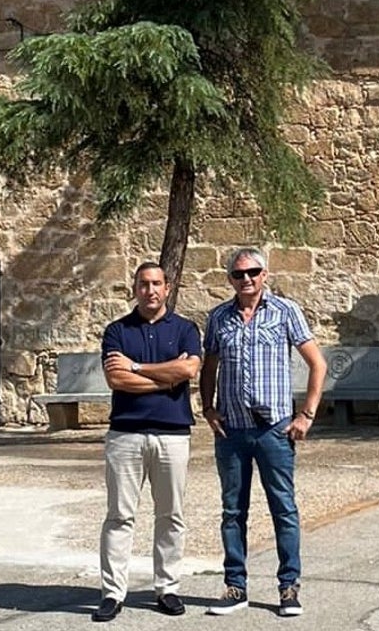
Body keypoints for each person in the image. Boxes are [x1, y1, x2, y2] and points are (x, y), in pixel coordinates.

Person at [200, 247, 327, 618]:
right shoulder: (219, 318)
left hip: (274, 430)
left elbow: (317, 364)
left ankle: (289, 587)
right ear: (230, 279)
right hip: (232, 431)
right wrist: (207, 408)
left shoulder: (286, 312)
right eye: (239, 274)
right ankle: (235, 586)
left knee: (283, 509)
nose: (247, 280)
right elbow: (209, 367)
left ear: (265, 274)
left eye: (253, 272)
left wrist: (306, 414)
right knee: (232, 511)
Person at [91, 261, 202, 623]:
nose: (150, 290)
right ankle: (113, 592)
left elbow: (188, 370)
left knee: (171, 515)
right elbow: (116, 380)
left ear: (167, 288)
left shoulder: (185, 330)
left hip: (172, 435)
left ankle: (167, 588)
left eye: (156, 284)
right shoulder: (117, 331)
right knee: (120, 515)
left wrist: (137, 368)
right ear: (134, 289)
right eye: (143, 284)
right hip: (126, 434)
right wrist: (166, 379)